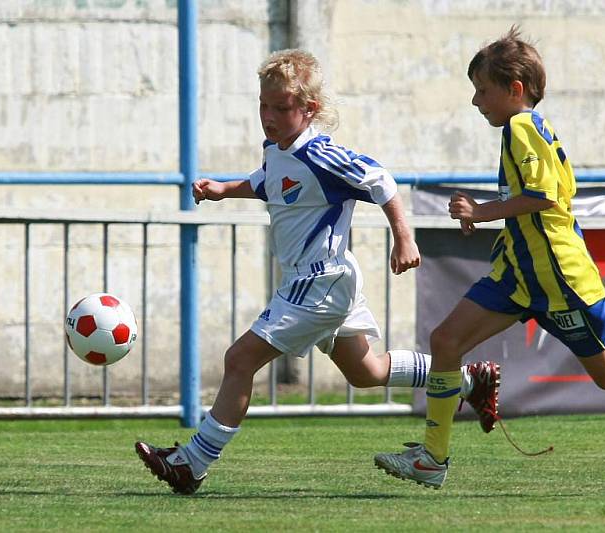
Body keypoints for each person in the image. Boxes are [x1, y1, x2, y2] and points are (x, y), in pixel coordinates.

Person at [373, 27, 605, 489]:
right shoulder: (528, 127)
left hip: (557, 277)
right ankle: (433, 458)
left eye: (482, 91)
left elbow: (544, 196)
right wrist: (491, 215)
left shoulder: (520, 126)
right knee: (446, 341)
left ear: (515, 90)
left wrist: (482, 210)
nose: (476, 102)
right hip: (518, 272)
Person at [134, 49, 500, 495]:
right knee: (366, 371)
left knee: (239, 360)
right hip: (323, 282)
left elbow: (379, 179)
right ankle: (468, 381)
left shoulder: (321, 154)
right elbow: (270, 182)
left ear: (309, 110)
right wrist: (224, 190)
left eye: (281, 108)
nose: (269, 116)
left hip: (319, 282)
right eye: (263, 105)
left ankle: (193, 462)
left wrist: (404, 237)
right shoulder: (278, 149)